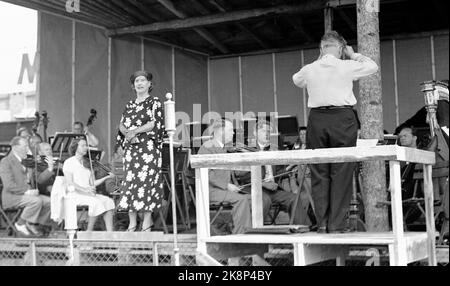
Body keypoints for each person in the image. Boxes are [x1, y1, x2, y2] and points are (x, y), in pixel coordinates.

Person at [292, 30, 378, 233]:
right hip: (342, 118)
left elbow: (297, 80)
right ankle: (337, 225)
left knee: (319, 171)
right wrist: (353, 54)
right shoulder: (346, 65)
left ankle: (322, 223)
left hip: (317, 119)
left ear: (321, 48)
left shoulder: (310, 68)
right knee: (342, 171)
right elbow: (372, 66)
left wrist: (318, 59)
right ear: (340, 48)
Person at [116, 70, 165, 232]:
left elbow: (153, 123)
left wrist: (135, 131)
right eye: (136, 81)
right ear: (133, 85)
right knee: (130, 183)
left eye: (143, 80)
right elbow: (121, 124)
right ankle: (132, 222)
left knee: (146, 183)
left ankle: (147, 221)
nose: (139, 83)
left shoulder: (154, 101)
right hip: (131, 147)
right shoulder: (129, 104)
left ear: (150, 84)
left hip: (148, 148)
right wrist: (128, 133)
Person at [236, 120, 311, 226]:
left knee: (294, 198)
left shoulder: (274, 150)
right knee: (264, 200)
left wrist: (289, 168)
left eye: (269, 131)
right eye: (263, 131)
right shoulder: (245, 149)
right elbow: (240, 174)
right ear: (255, 133)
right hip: (253, 187)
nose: (266, 134)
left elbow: (279, 171)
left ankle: (303, 230)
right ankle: (253, 231)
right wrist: (260, 179)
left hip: (272, 189)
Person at [197, 119, 252, 234]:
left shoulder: (223, 148)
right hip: (210, 191)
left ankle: (241, 229)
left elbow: (230, 173)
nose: (233, 133)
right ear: (220, 131)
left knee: (254, 199)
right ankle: (240, 236)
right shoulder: (207, 147)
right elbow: (207, 173)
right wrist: (227, 185)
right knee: (241, 200)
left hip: (221, 189)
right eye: (230, 130)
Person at [0, 136, 51, 237]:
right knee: (36, 201)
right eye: (25, 146)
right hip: (12, 197)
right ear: (15, 147)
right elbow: (8, 185)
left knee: (49, 202)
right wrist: (27, 191)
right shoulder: (6, 161)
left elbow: (39, 179)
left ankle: (34, 224)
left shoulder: (27, 160)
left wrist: (49, 169)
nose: (27, 148)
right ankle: (20, 224)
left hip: (28, 196)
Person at [63, 138, 115, 231]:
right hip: (75, 195)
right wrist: (85, 190)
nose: (85, 147)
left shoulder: (88, 163)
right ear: (75, 147)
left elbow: (92, 183)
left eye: (86, 145)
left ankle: (110, 233)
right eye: (82, 145)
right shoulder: (69, 162)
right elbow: (70, 182)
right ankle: (88, 232)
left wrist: (106, 177)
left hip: (88, 194)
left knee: (109, 201)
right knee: (96, 203)